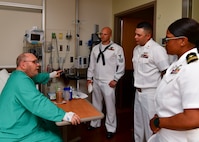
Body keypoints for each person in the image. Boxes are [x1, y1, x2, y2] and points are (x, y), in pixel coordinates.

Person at [0, 53, 81, 142]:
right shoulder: (20, 81)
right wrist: (64, 115)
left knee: (50, 123)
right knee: (55, 139)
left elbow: (36, 78)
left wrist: (51, 75)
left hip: (15, 125)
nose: (38, 64)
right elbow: (38, 102)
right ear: (23, 65)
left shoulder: (18, 76)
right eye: (34, 62)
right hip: (14, 132)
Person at [148, 18, 199, 142]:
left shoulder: (193, 68)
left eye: (168, 39)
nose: (165, 43)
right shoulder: (178, 63)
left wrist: (159, 121)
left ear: (182, 41)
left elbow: (193, 119)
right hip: (168, 135)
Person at [132, 22, 170, 142]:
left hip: (151, 93)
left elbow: (166, 72)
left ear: (148, 36)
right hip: (138, 91)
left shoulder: (157, 49)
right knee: (138, 122)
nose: (135, 37)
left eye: (138, 35)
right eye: (135, 34)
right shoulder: (136, 49)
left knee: (151, 124)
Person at [87, 27, 125, 139]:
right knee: (96, 104)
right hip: (96, 81)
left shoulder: (117, 49)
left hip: (109, 82)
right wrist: (89, 78)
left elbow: (121, 66)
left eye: (105, 34)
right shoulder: (95, 48)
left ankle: (111, 128)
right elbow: (92, 64)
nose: (102, 36)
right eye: (101, 34)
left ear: (110, 35)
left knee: (110, 106)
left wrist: (116, 79)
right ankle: (95, 123)